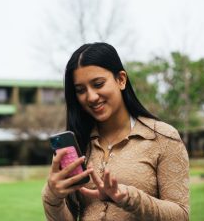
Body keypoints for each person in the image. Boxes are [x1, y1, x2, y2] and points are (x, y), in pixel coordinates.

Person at [42, 42, 189, 221]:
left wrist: (128, 197)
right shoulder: (79, 142)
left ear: (121, 79)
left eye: (98, 84)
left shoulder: (163, 137)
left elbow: (181, 216)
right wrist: (53, 197)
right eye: (80, 90)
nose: (91, 97)